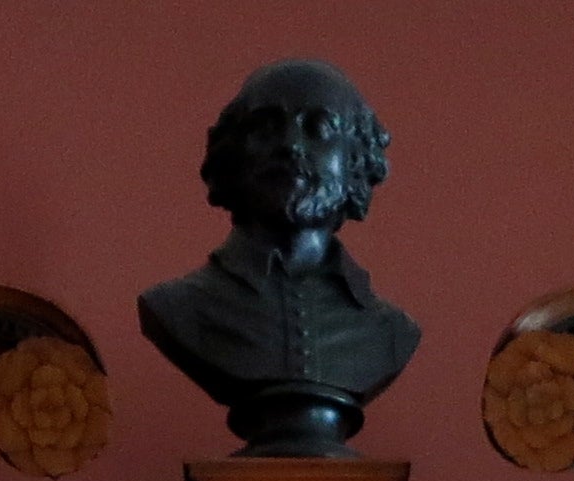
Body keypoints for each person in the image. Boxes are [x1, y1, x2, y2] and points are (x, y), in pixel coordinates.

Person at [139, 59, 421, 454]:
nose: (290, 144)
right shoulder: (178, 309)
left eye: (319, 128)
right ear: (233, 154)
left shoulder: (390, 331)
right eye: (266, 127)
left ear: (355, 160)